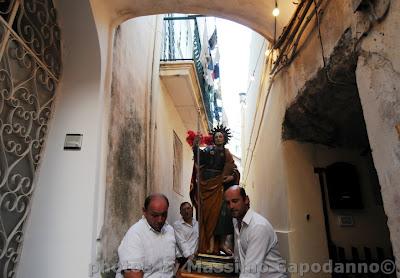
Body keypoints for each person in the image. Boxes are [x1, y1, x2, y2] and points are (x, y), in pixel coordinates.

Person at [189, 124, 240, 255]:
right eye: (216, 136)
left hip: (220, 186)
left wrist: (231, 177)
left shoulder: (227, 153)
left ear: (224, 139)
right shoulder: (208, 150)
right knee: (208, 216)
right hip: (207, 185)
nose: (218, 138)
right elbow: (199, 158)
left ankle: (222, 244)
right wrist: (195, 145)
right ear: (213, 138)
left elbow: (234, 170)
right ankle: (209, 246)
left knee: (221, 216)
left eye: (220, 136)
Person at [224, 186, 287, 278]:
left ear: (246, 200)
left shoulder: (258, 226)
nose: (231, 206)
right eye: (228, 203)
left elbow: (250, 273)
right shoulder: (236, 221)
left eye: (235, 201)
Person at [116, 193, 176, 278]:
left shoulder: (169, 230)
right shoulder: (135, 234)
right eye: (155, 215)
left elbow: (172, 266)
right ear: (144, 211)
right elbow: (133, 276)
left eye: (164, 214)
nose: (160, 220)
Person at [173, 202, 199, 267]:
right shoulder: (177, 225)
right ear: (180, 212)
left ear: (192, 209)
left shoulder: (197, 224)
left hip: (195, 257)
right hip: (184, 258)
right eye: (184, 210)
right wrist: (189, 256)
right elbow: (181, 242)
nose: (186, 211)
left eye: (188, 208)